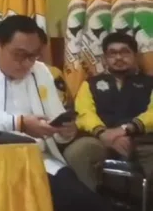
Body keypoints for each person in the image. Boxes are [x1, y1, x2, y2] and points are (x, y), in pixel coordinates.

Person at [0, 15, 119, 211]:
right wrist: (18, 123)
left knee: (86, 203)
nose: (27, 63)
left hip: (38, 160)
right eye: (19, 55)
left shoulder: (41, 72)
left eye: (33, 56)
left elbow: (55, 119)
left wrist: (64, 131)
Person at [63, 32, 153, 191]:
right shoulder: (90, 84)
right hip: (101, 140)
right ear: (104, 59)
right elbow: (84, 113)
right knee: (77, 152)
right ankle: (93, 202)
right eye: (112, 53)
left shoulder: (149, 83)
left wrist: (127, 129)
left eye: (125, 52)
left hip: (144, 141)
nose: (118, 57)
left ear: (135, 56)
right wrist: (103, 133)